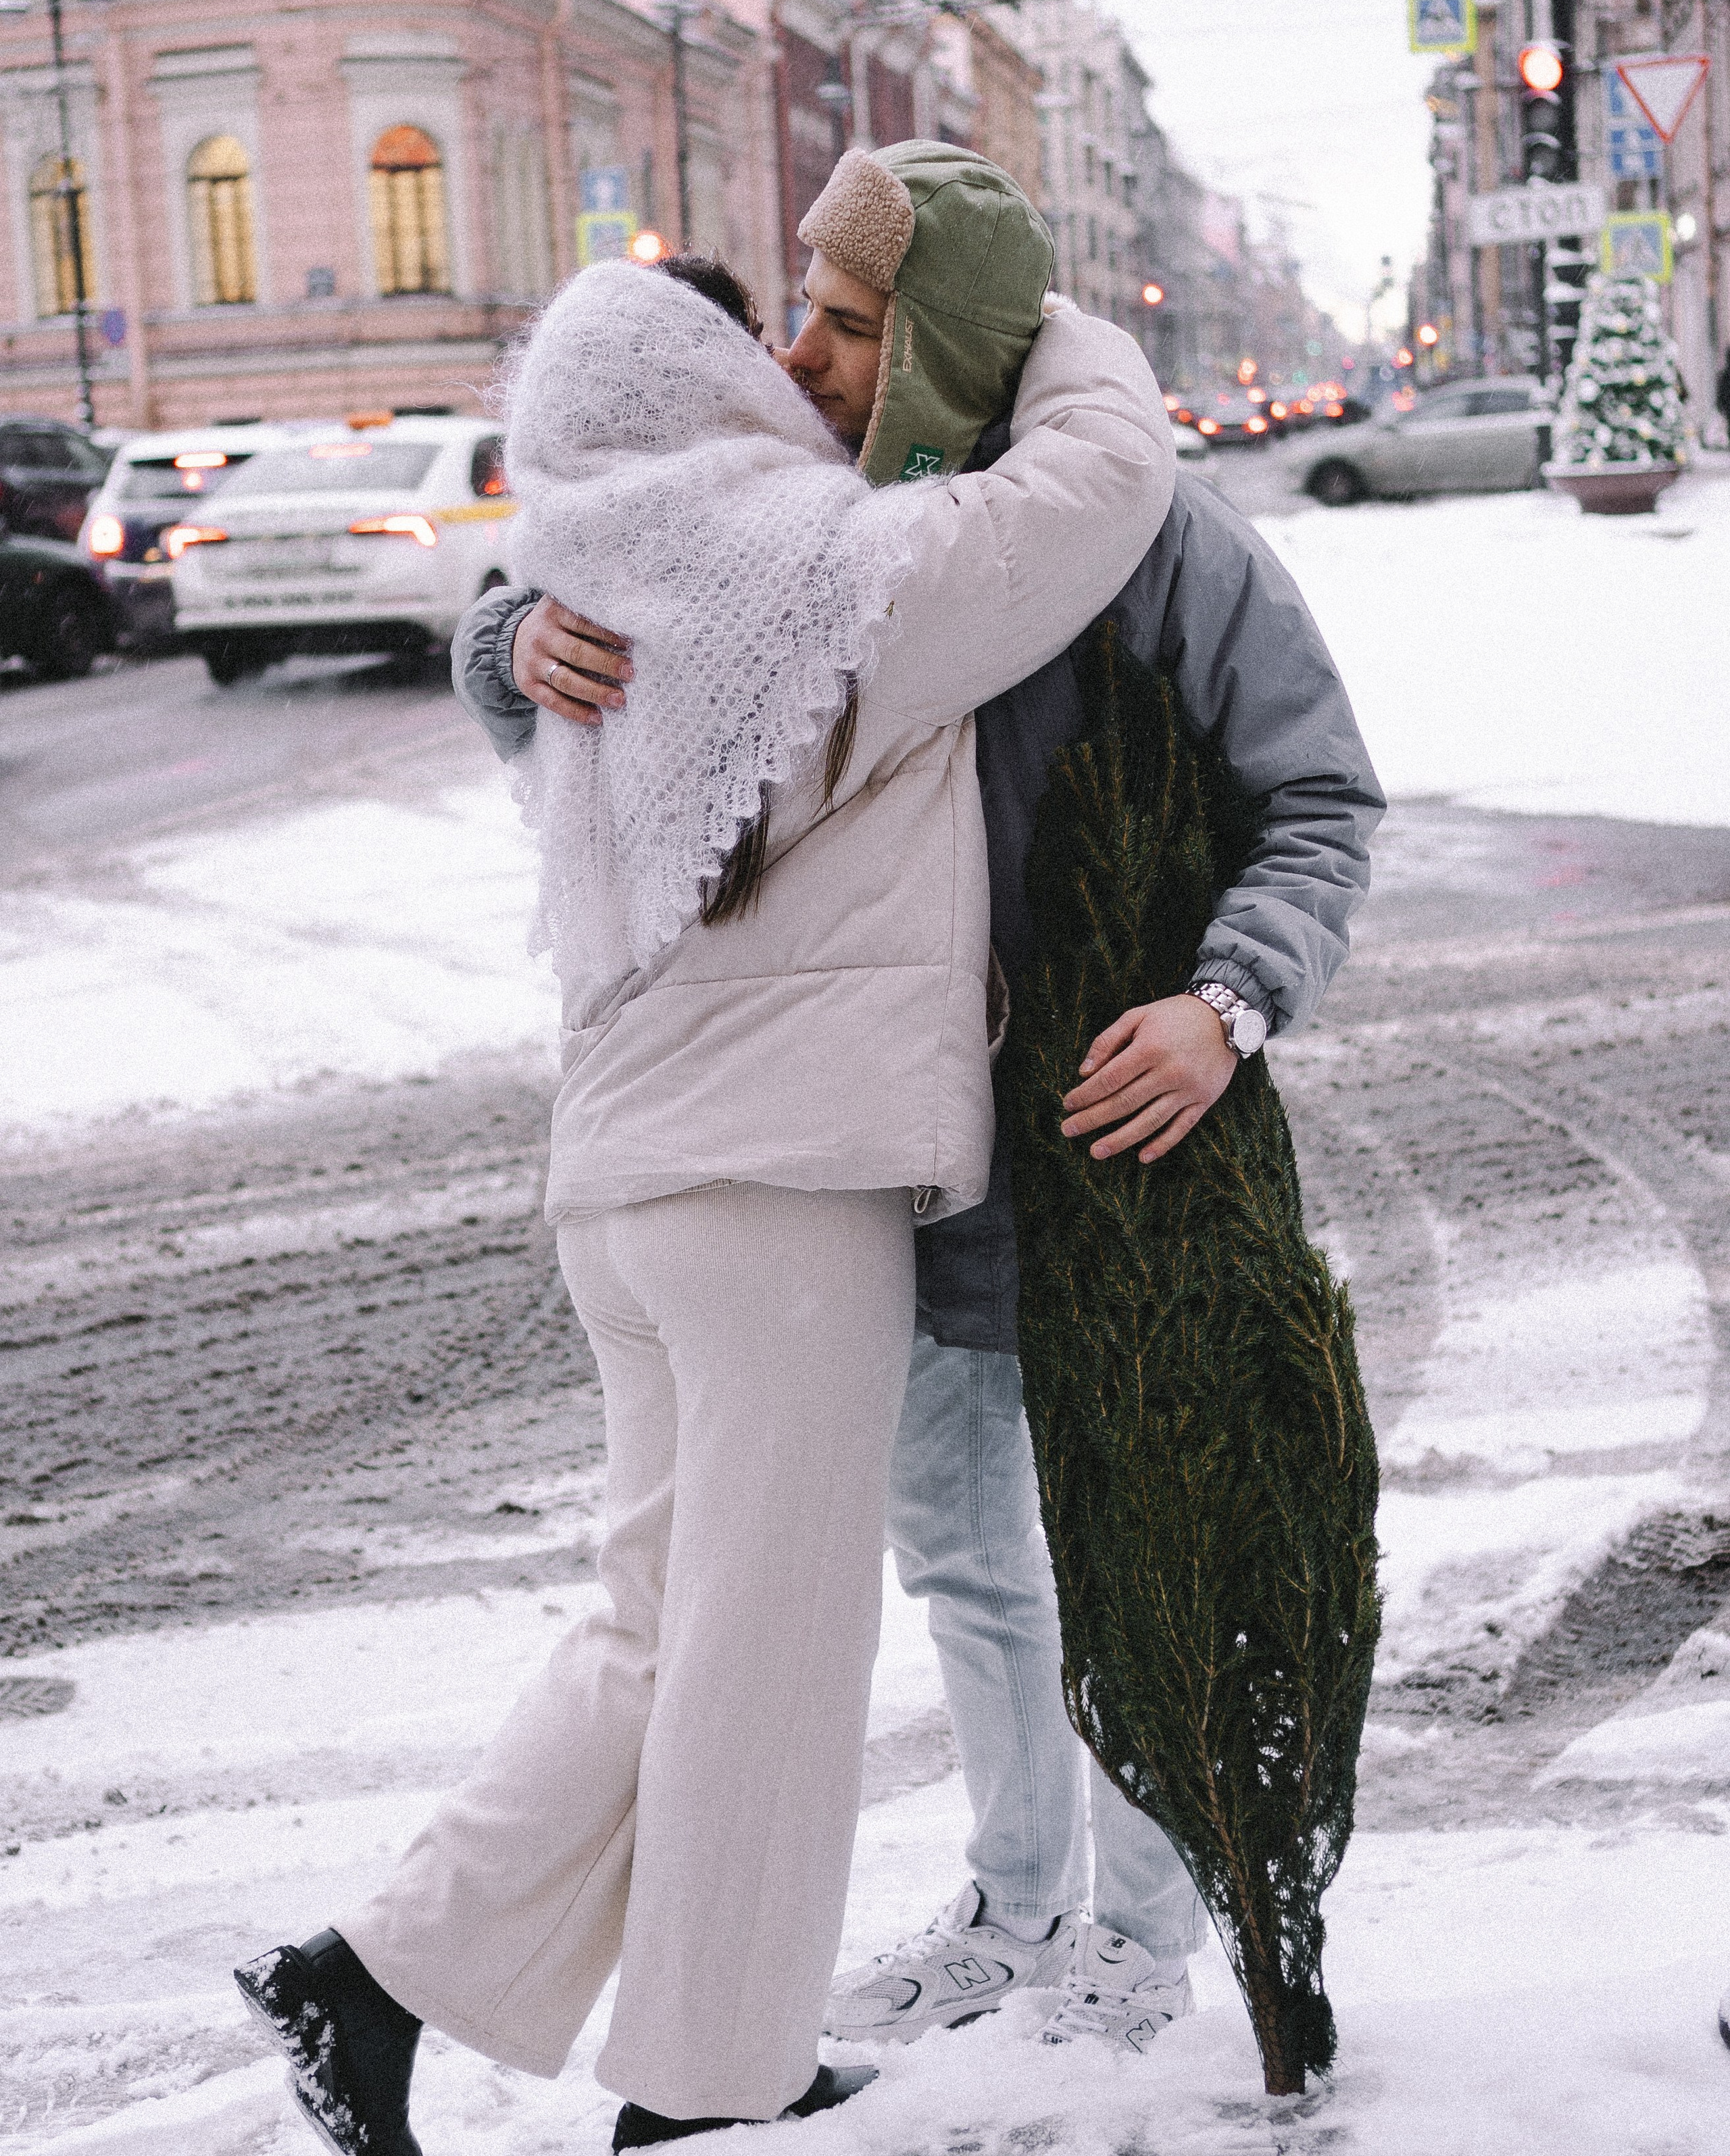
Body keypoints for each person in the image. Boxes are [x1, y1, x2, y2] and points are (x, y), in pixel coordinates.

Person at [234, 150, 1176, 2155]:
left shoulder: (595, 572)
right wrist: (1037, 319)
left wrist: (501, 634)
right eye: (767, 340)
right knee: (770, 1645)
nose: (794, 361)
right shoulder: (826, 575)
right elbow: (1098, 488)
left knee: (659, 1615)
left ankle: (376, 1978)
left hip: (629, 1187)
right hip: (777, 1190)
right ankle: (704, 2081)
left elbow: (533, 671)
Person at [460, 151, 1385, 2066]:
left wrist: (1225, 1005)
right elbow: (601, 629)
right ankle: (1017, 1899)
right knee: (965, 1564)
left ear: (950, 343)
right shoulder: (798, 521)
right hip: (878, 1173)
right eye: (798, 308)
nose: (798, 356)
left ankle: (1138, 1937)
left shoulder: (1154, 541)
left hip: (1121, 1151)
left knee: (1129, 1547)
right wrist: (505, 639)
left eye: (849, 323)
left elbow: (1322, 797)